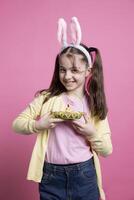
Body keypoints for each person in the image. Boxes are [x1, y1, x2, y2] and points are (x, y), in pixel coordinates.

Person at [12, 17, 113, 200]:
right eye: (62, 69)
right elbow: (17, 124)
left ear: (88, 71)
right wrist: (38, 125)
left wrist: (91, 133)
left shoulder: (94, 105)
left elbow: (106, 150)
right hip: (51, 175)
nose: (67, 76)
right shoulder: (46, 99)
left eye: (75, 70)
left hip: (84, 174)